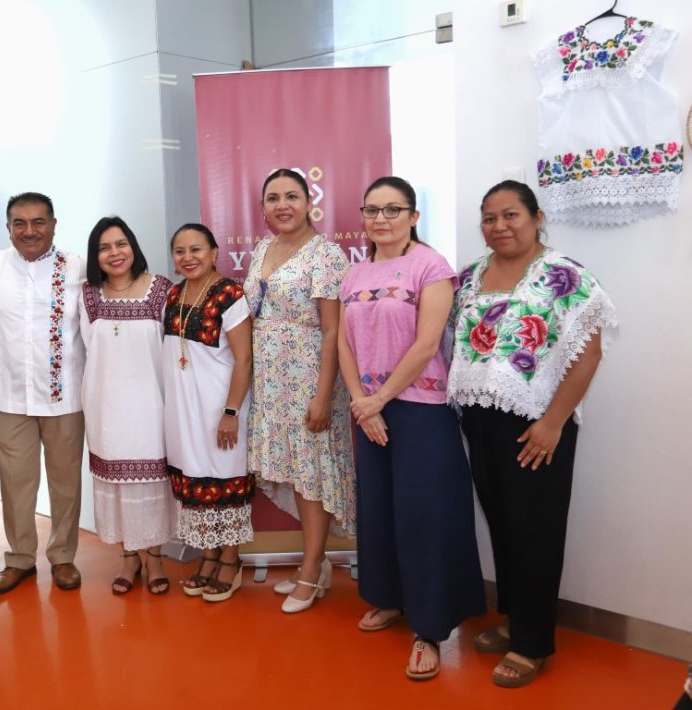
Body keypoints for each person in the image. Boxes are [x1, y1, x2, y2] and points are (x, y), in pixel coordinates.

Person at [448, 180, 618, 688]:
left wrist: (552, 423)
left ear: (536, 217)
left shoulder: (564, 276)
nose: (499, 226)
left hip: (537, 424)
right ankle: (514, 620)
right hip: (481, 418)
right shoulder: (470, 277)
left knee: (536, 532)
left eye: (511, 215)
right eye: (489, 218)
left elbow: (589, 352)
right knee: (503, 525)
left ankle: (533, 643)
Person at [337, 176, 486, 681]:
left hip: (421, 409)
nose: (381, 219)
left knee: (425, 516)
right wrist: (362, 403)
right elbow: (343, 344)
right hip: (369, 411)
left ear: (413, 216)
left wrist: (378, 399)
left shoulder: (431, 266)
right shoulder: (354, 274)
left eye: (393, 209)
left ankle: (429, 628)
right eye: (372, 210)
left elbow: (426, 345)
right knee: (378, 508)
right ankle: (389, 598)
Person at [243, 168, 354, 613]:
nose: (282, 205)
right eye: (273, 198)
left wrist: (323, 395)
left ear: (309, 203)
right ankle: (318, 562)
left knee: (312, 475)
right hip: (271, 380)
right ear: (263, 208)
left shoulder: (326, 255)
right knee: (294, 470)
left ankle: (309, 570)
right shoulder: (262, 248)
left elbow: (333, 331)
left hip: (310, 377)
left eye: (292, 196)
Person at [0, 192, 87, 594]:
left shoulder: (76, 267)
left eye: (38, 222)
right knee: (14, 483)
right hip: (10, 397)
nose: (29, 231)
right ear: (8, 227)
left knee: (65, 483)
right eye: (20, 223)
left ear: (54, 225)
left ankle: (63, 557)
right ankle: (20, 559)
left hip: (64, 397)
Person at [79, 216, 175, 594]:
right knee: (117, 484)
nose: (114, 253)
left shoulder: (161, 290)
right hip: (106, 407)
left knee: (151, 483)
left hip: (151, 405)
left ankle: (155, 558)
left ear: (133, 246)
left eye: (121, 244)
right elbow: (86, 349)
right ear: (95, 256)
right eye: (104, 248)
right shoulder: (88, 296)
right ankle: (128, 557)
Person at [163, 223, 253, 603]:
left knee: (224, 477)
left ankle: (231, 561)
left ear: (214, 253)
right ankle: (209, 555)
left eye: (196, 249)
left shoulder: (230, 294)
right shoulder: (174, 293)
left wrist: (231, 412)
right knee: (196, 479)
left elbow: (244, 358)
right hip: (184, 409)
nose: (188, 258)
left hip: (220, 408)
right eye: (180, 251)